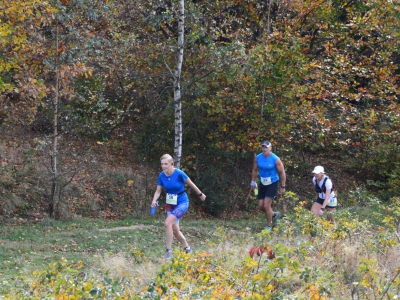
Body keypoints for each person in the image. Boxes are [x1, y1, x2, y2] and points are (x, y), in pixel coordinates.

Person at [151, 154, 206, 259]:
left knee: (167, 224)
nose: (163, 166)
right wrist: (154, 201)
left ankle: (168, 251)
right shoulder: (161, 175)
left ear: (172, 164)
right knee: (175, 230)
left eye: (166, 164)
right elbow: (158, 191)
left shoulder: (179, 173)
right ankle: (188, 248)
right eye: (162, 164)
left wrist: (200, 194)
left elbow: (191, 184)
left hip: (182, 202)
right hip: (170, 203)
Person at [250, 140, 286, 232]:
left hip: (273, 183)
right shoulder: (258, 157)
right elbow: (254, 170)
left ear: (270, 148)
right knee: (261, 206)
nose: (264, 149)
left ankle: (268, 226)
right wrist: (253, 182)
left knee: (266, 205)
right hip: (262, 183)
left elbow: (282, 172)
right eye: (263, 147)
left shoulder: (275, 159)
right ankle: (274, 215)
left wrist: (282, 186)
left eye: (266, 147)